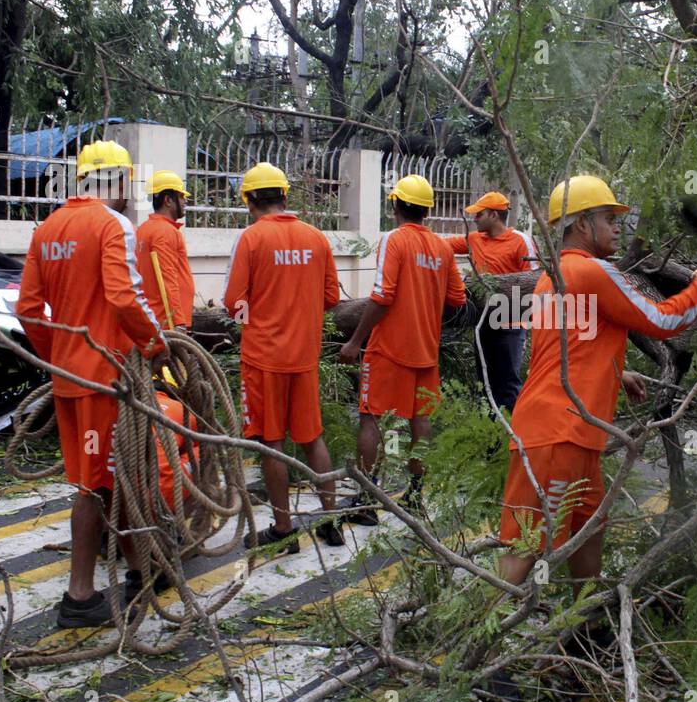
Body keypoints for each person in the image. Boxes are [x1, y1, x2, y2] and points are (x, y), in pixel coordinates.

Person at [497, 175, 697, 592]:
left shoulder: (553, 276)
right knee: (525, 548)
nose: (618, 227)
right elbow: (664, 321)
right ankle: (478, 642)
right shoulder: (592, 272)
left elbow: (565, 346)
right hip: (559, 434)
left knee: (587, 534)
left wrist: (615, 370)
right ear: (580, 224)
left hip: (571, 433)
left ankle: (584, 633)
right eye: (609, 218)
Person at [16, 139, 169, 627]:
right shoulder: (111, 224)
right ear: (119, 180)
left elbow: (27, 311)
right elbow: (125, 298)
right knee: (93, 487)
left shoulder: (48, 228)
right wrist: (155, 344)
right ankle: (79, 597)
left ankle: (143, 567)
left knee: (112, 475)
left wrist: (57, 358)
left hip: (71, 379)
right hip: (104, 378)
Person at [223, 162, 344, 552]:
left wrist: (255, 316)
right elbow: (331, 299)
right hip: (304, 358)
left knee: (270, 443)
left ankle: (282, 528)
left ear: (250, 200)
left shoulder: (251, 239)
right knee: (313, 438)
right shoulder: (315, 238)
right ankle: (330, 520)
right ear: (284, 196)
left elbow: (233, 304)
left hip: (263, 360)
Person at [337, 174, 467, 519]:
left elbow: (382, 296)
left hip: (390, 350)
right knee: (420, 421)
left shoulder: (394, 240)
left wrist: (355, 341)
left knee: (372, 419)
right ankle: (414, 496)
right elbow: (457, 298)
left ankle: (365, 502)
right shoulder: (442, 247)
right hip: (426, 350)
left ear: (395, 205)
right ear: (427, 210)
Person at [441, 191, 537, 411]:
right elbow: (440, 247)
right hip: (483, 323)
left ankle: (515, 435)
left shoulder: (521, 241)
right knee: (485, 385)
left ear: (494, 215)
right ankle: (490, 438)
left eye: (479, 214)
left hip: (510, 325)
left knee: (508, 386)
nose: (474, 219)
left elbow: (536, 282)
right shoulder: (474, 239)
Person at [136, 170, 196, 331]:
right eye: (181, 197)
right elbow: (167, 278)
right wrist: (178, 321)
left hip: (155, 318)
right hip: (166, 322)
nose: (185, 201)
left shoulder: (144, 229)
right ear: (168, 200)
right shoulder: (165, 232)